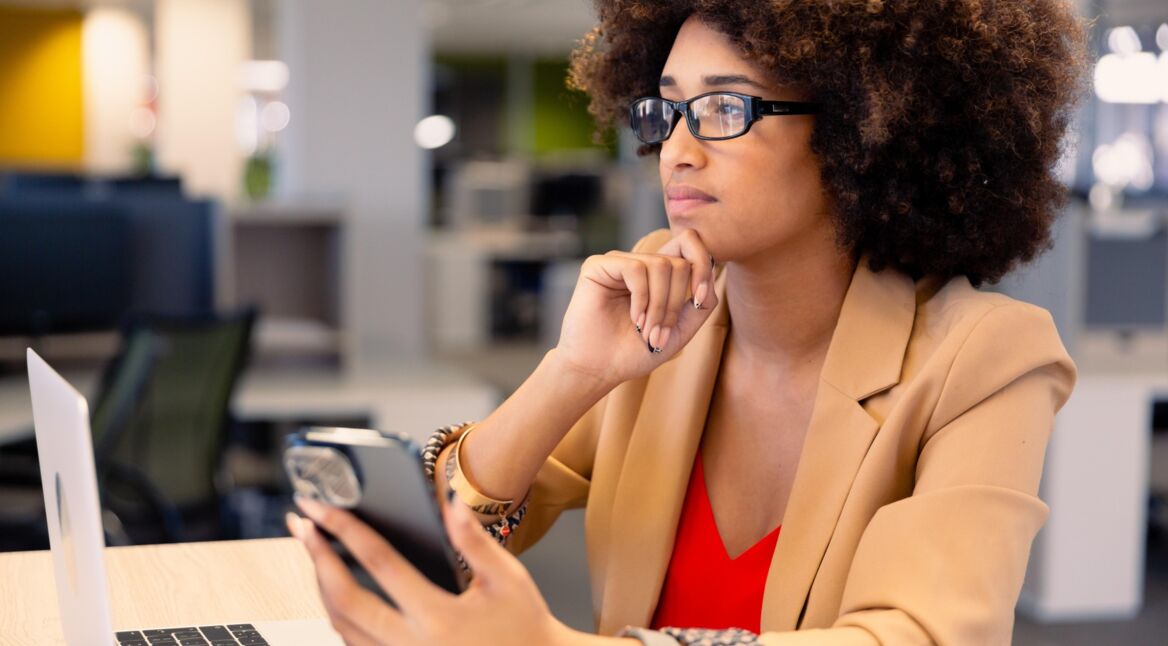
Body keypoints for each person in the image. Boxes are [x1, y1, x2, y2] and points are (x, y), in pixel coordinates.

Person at [285, 1, 1087, 644]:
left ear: (863, 130)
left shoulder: (986, 357)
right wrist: (572, 374)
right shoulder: (663, 313)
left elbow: (923, 634)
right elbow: (445, 555)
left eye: (724, 107)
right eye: (668, 111)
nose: (676, 150)